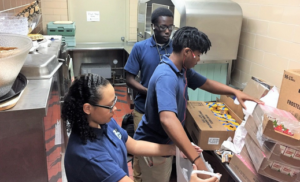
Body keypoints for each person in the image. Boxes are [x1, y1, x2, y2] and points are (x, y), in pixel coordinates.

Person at [133, 26, 263, 182]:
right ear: (187, 52)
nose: (199, 60)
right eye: (198, 55)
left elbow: (207, 83)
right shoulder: (166, 76)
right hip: (155, 147)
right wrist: (197, 160)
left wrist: (235, 92)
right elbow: (167, 119)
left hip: (166, 144)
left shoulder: (182, 69)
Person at [62, 73, 216, 182]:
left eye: (115, 102)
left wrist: (175, 150)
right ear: (88, 108)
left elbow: (134, 145)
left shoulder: (102, 122)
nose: (115, 109)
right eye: (109, 106)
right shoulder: (89, 155)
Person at [124, 7, 174, 181]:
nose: (167, 31)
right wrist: (149, 91)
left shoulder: (176, 49)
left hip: (168, 112)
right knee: (140, 150)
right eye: (162, 27)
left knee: (162, 149)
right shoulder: (141, 48)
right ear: (153, 26)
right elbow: (128, 78)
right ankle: (137, 178)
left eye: (170, 27)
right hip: (143, 109)